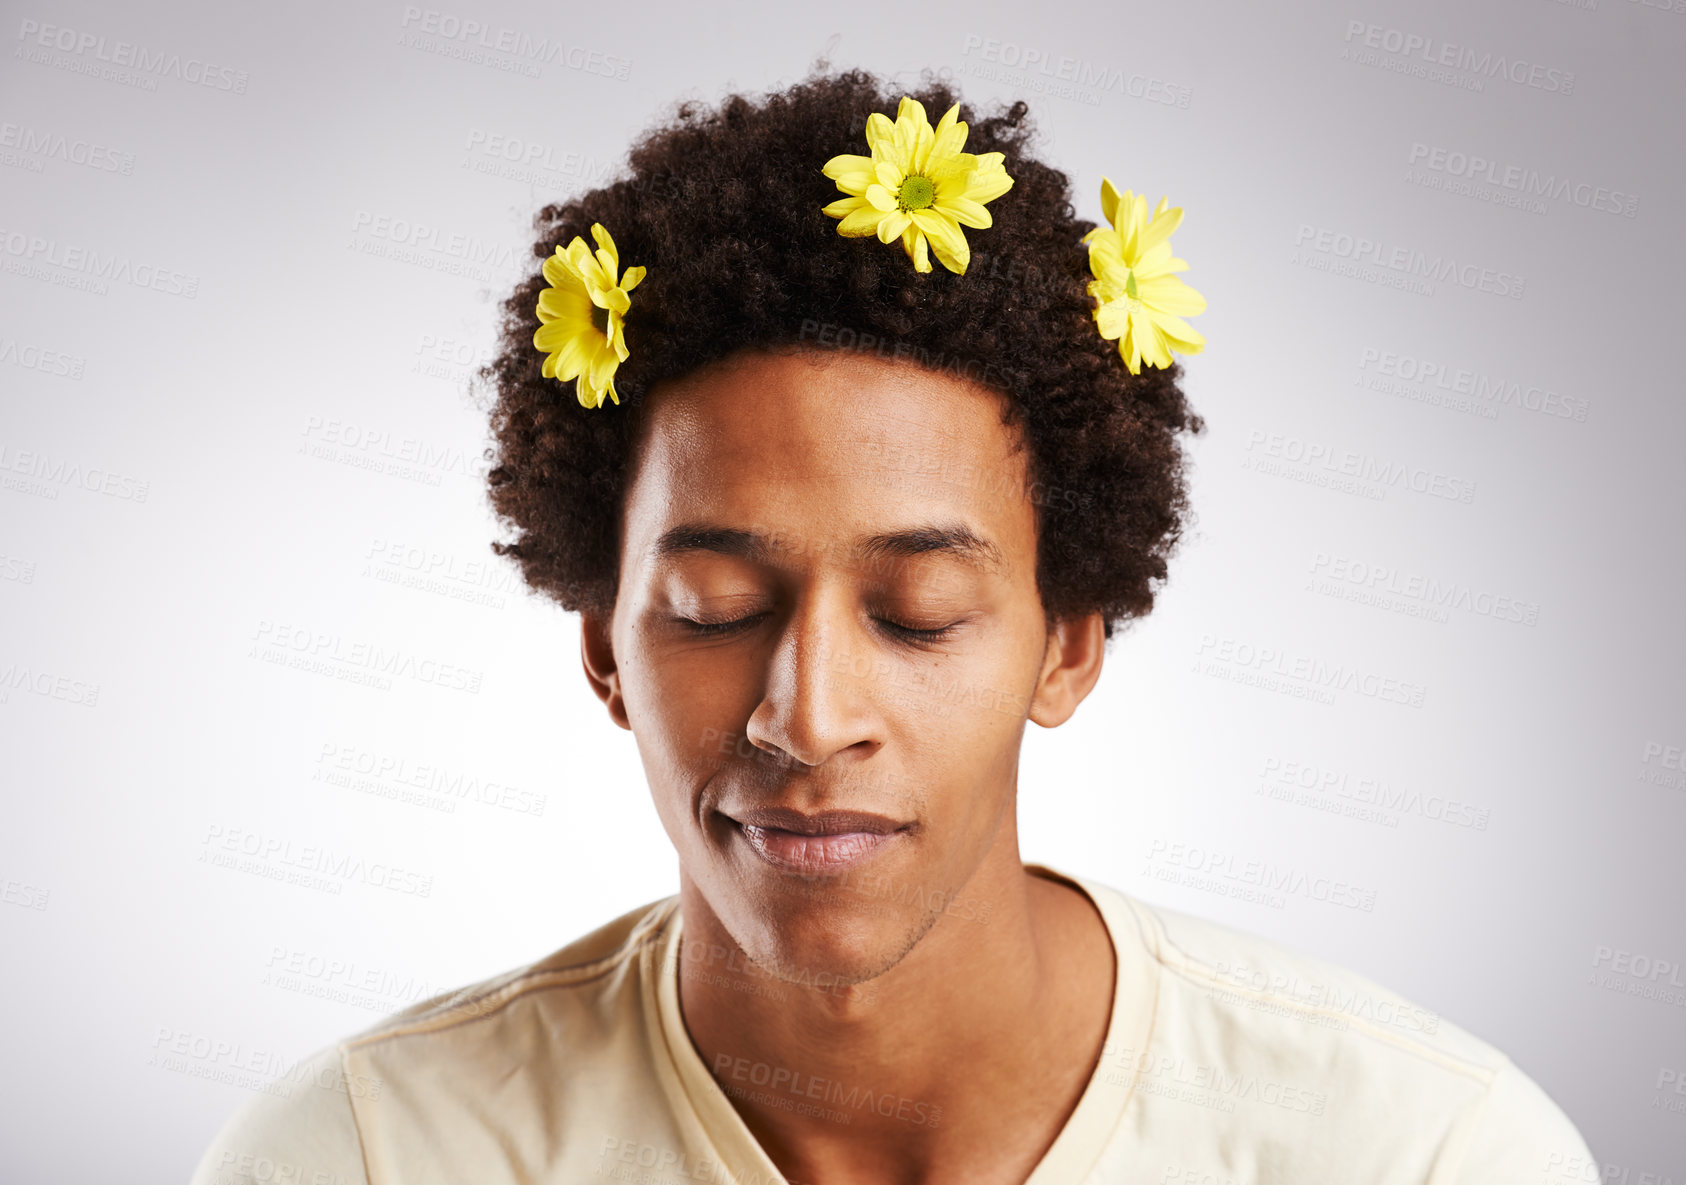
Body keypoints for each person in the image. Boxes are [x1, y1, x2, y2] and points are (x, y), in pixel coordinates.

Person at [190, 69, 1594, 1185]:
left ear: (1067, 644)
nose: (807, 715)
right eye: (714, 607)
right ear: (604, 646)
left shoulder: (1422, 1154)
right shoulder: (361, 1159)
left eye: (916, 612)